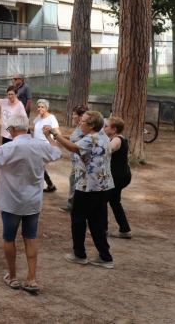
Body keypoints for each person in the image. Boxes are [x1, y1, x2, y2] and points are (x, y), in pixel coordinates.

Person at [0, 113, 62, 293]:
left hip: (12, 201)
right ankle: (32, 278)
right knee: (30, 237)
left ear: (13, 129)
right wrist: (49, 136)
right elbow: (57, 152)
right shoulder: (40, 146)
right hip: (33, 201)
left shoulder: (9, 148)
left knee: (9, 237)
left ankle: (13, 276)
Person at [44, 110, 115, 269]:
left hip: (88, 186)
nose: (79, 123)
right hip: (102, 186)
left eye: (82, 121)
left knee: (78, 219)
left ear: (91, 125)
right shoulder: (103, 136)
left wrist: (55, 134)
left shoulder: (91, 139)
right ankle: (105, 256)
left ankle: (79, 254)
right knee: (96, 221)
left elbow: (73, 147)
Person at [104, 117, 132, 239]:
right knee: (114, 202)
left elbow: (105, 151)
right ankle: (125, 229)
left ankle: (102, 228)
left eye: (106, 126)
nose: (104, 128)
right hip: (120, 175)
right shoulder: (115, 138)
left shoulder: (117, 140)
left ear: (114, 129)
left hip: (118, 176)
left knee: (102, 201)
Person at [60, 105, 89, 213]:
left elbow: (75, 143)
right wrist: (60, 136)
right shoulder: (79, 126)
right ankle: (73, 203)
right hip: (76, 161)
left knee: (76, 181)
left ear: (81, 116)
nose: (73, 116)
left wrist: (58, 136)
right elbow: (73, 137)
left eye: (74, 114)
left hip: (82, 161)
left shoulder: (85, 128)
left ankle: (74, 205)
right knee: (74, 180)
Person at [31, 99, 60, 193]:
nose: (40, 109)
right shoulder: (38, 117)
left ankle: (37, 187)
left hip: (45, 145)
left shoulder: (51, 118)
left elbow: (57, 132)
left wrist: (55, 143)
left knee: (37, 165)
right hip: (36, 145)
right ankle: (50, 185)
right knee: (38, 166)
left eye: (42, 107)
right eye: (38, 107)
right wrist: (22, 126)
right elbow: (34, 127)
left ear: (47, 108)